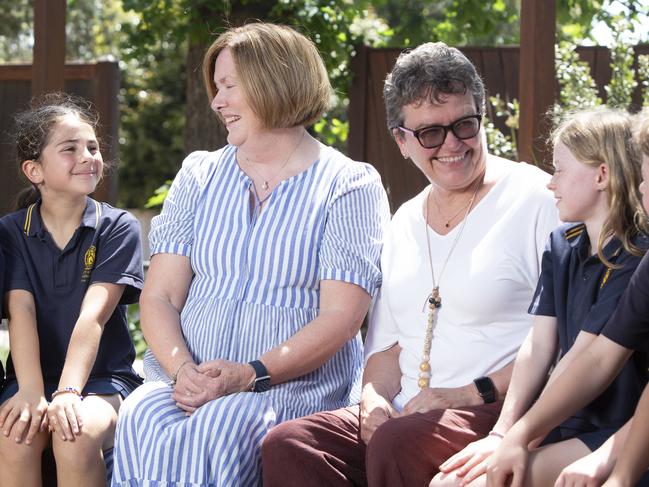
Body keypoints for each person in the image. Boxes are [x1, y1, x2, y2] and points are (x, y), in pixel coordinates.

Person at [261, 41, 558, 487]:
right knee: (291, 443)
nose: (452, 144)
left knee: (398, 441)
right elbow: (385, 348)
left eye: (465, 125)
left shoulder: (536, 199)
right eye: (430, 133)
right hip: (409, 412)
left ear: (482, 117)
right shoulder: (403, 221)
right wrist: (373, 401)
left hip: (495, 406)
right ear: (401, 141)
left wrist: (466, 394)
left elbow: (566, 339)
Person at [110, 22, 388, 486]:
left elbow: (342, 316)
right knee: (141, 413)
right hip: (188, 378)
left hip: (289, 386)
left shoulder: (348, 184)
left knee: (224, 426)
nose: (216, 102)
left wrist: (251, 374)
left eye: (229, 86)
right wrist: (183, 371)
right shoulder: (198, 175)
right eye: (215, 88)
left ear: (273, 83)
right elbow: (159, 297)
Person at [431, 108, 649, 487]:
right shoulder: (561, 245)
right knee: (446, 481)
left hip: (611, 422)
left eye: (560, 169)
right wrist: (504, 432)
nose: (551, 183)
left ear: (602, 175)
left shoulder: (633, 256)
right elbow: (538, 345)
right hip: (562, 416)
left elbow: (588, 357)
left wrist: (522, 436)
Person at [0, 93, 144, 487]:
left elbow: (93, 315)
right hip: (31, 378)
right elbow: (21, 312)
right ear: (35, 170)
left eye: (93, 147)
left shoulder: (118, 227)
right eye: (70, 149)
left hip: (103, 382)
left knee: (74, 434)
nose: (88, 156)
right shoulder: (11, 230)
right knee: (15, 435)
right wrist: (30, 393)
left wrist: (67, 391)